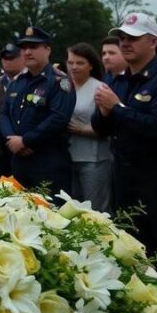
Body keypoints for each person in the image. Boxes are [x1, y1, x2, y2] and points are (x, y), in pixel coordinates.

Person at [92, 13, 157, 260]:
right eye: (122, 37)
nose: (125, 43)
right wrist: (104, 113)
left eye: (133, 38)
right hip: (123, 175)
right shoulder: (116, 79)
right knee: (130, 246)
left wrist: (117, 108)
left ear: (153, 41)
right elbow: (101, 129)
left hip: (156, 178)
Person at [0, 26, 75, 197]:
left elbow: (58, 118)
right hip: (19, 159)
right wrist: (11, 139)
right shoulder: (18, 82)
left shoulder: (59, 81)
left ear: (47, 49)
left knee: (52, 216)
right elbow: (4, 113)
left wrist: (26, 141)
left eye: (33, 47)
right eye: (24, 48)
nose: (27, 52)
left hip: (48, 162)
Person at [65, 43, 111, 212]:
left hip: (93, 157)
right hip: (67, 155)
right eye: (70, 62)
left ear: (91, 65)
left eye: (80, 63)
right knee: (72, 208)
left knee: (95, 208)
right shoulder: (63, 85)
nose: (74, 67)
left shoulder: (99, 88)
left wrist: (83, 129)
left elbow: (109, 126)